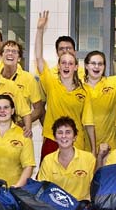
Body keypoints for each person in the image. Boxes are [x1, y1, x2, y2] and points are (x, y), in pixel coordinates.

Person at [35, 10, 91, 157]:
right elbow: (39, 58)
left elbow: (88, 120)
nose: (67, 66)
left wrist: (94, 147)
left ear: (76, 66)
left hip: (76, 138)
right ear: (59, 65)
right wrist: (39, 30)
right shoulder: (51, 80)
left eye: (70, 63)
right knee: (48, 177)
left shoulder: (84, 86)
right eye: (63, 63)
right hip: (52, 137)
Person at [37, 117, 96, 200]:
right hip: (56, 209)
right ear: (54, 138)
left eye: (68, 132)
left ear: (75, 137)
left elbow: (96, 187)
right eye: (60, 133)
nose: (64, 136)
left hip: (82, 209)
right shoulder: (48, 160)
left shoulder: (89, 158)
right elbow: (42, 190)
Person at [81, 51, 116, 153]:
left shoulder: (113, 83)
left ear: (104, 66)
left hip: (110, 146)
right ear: (86, 66)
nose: (96, 67)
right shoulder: (78, 87)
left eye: (100, 64)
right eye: (93, 63)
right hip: (84, 146)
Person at [0, 40, 45, 127]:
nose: (10, 54)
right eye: (7, 51)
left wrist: (22, 123)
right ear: (1, 56)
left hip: (19, 132)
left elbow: (39, 110)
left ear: (19, 58)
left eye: (14, 52)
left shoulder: (29, 79)